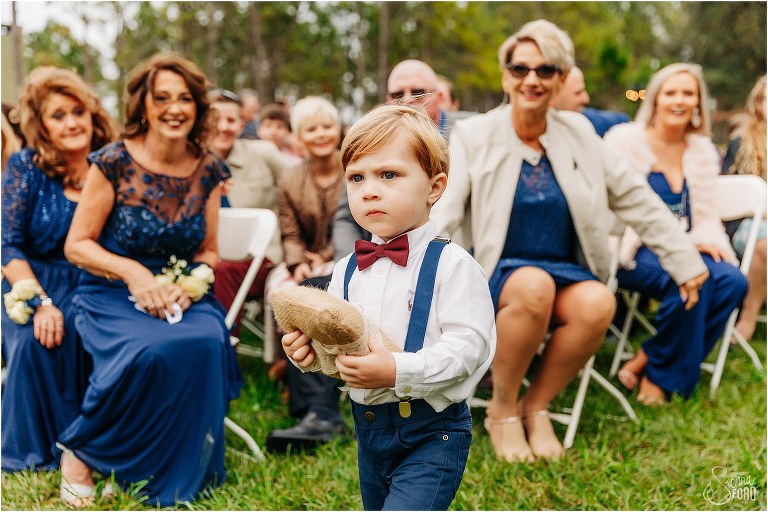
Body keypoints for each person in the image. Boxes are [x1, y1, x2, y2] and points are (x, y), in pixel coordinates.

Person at [430, 19, 709, 462]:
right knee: (533, 284)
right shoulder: (476, 135)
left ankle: (535, 404)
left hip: (566, 270)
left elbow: (637, 199)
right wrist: (426, 278)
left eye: (545, 70)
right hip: (502, 274)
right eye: (520, 69)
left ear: (561, 78)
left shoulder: (580, 134)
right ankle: (500, 410)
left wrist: (685, 261)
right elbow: (444, 210)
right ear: (506, 75)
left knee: (599, 301)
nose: (531, 79)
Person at [283, 104, 496, 510]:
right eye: (357, 178)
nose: (369, 190)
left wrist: (396, 370)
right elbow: (342, 346)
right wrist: (310, 357)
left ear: (434, 187)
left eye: (389, 175)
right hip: (370, 432)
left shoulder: (453, 265)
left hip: (433, 433)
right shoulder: (346, 269)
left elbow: (470, 349)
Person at [59, 53, 243, 507]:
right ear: (144, 105)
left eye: (184, 99)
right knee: (148, 348)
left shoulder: (209, 169)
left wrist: (195, 280)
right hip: (111, 289)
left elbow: (210, 250)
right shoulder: (114, 161)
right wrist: (135, 273)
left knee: (202, 341)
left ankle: (155, 466)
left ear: (198, 107)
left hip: (182, 292)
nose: (174, 108)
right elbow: (76, 244)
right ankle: (84, 455)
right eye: (162, 98)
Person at [604, 63, 748, 405]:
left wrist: (706, 238)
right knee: (691, 277)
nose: (679, 100)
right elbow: (610, 210)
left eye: (688, 93)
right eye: (671, 92)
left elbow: (707, 216)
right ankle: (661, 377)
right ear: (655, 99)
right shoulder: (623, 142)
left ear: (699, 103)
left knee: (732, 281)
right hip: (634, 247)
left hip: (687, 243)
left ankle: (650, 357)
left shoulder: (703, 152)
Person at [1, 66, 115, 473]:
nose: (71, 122)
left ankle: (93, 444)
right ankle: (37, 451)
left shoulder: (112, 164)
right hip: (32, 279)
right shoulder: (24, 167)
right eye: (58, 115)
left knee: (103, 339)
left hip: (95, 280)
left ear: (92, 114)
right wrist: (41, 302)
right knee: (38, 341)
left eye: (77, 112)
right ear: (42, 126)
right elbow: (7, 243)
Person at [264, 96, 347, 452]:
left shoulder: (353, 165)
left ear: (338, 128)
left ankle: (320, 405)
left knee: (322, 291)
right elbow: (289, 229)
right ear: (299, 137)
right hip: (301, 257)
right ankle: (300, 378)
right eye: (311, 129)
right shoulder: (290, 179)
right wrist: (298, 260)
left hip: (345, 254)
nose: (321, 134)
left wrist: (324, 256)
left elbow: (353, 225)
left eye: (327, 126)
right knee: (284, 289)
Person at [207, 89, 288, 334]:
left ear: (242, 124)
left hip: (260, 258)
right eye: (215, 120)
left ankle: (224, 345)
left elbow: (297, 193)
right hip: (208, 254)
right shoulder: (192, 163)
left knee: (223, 271)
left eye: (231, 120)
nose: (223, 127)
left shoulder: (264, 153)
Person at [720, 75, 766, 342]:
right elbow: (727, 193)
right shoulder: (743, 142)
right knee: (764, 244)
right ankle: (748, 317)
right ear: (759, 104)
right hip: (746, 223)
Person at [553, 65, 629, 137]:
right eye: (578, 93)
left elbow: (623, 120)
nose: (586, 99)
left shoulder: (589, 121)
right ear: (553, 97)